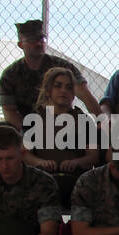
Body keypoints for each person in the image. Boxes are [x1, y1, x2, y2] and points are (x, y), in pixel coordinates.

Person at [23, 66, 102, 209]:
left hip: (75, 182)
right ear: (48, 90)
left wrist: (76, 162)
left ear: (73, 94)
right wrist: (40, 162)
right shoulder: (35, 118)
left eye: (68, 87)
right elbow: (25, 154)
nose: (63, 91)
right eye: (58, 86)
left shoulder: (83, 120)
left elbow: (93, 156)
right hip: (42, 181)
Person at [0, 19, 98, 128]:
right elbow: (9, 110)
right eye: (32, 40)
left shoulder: (63, 67)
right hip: (27, 126)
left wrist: (103, 123)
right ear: (21, 44)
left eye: (41, 39)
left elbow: (85, 94)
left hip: (62, 123)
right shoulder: (11, 74)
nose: (39, 43)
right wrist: (28, 132)